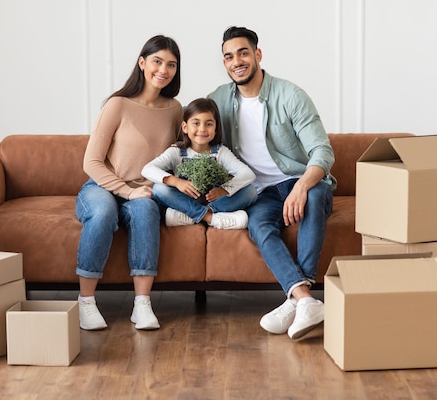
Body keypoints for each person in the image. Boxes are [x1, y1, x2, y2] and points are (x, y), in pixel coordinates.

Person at [207, 26, 336, 340]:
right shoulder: (218, 100)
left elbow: (322, 150)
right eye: (228, 57)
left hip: (300, 180)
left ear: (257, 55)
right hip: (260, 192)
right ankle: (305, 300)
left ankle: (296, 298)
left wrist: (301, 187)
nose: (236, 61)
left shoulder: (290, 94)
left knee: (315, 197)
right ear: (224, 63)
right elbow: (195, 135)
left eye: (243, 53)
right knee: (259, 225)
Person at [75, 35, 183, 331]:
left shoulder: (175, 109)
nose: (164, 70)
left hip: (144, 191)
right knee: (103, 213)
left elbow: (176, 156)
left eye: (171, 65)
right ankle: (86, 302)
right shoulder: (117, 105)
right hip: (102, 187)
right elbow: (92, 162)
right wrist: (127, 190)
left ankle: (142, 304)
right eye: (157, 61)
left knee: (147, 210)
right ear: (142, 63)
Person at [142, 98, 257, 229]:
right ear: (185, 127)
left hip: (213, 201)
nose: (202, 129)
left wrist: (223, 190)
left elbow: (248, 174)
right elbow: (147, 169)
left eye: (209, 124)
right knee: (159, 189)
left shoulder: (220, 152)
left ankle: (190, 215)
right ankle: (210, 217)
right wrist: (177, 182)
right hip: (186, 200)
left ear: (215, 128)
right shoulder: (177, 151)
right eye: (196, 123)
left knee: (251, 191)